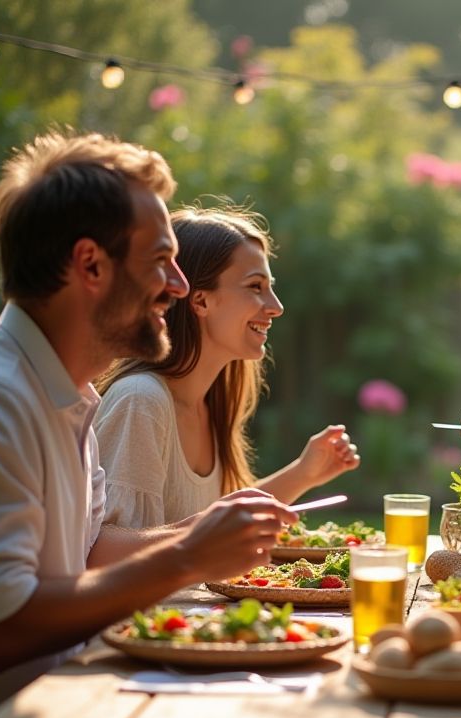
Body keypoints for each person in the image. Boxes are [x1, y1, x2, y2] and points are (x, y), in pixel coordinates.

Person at [0, 130, 296, 718]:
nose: (180, 285)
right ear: (90, 265)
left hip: (72, 713)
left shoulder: (69, 396)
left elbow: (87, 560)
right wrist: (188, 555)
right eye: (160, 260)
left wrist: (201, 539)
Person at [94, 205, 359, 528]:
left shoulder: (211, 404)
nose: (276, 307)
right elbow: (102, 552)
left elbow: (214, 519)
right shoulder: (141, 401)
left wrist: (304, 473)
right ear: (201, 300)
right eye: (255, 287)